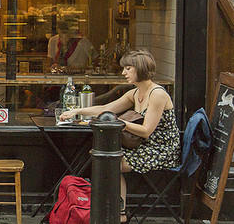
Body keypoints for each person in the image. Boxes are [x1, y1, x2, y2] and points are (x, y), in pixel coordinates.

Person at [59, 49, 180, 222]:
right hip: (142, 145)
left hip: (160, 149)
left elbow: (146, 131)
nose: (123, 72)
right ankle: (116, 210)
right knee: (106, 159)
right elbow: (104, 109)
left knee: (112, 162)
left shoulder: (158, 94)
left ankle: (120, 213)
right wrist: (76, 111)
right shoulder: (135, 92)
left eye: (128, 68)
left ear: (141, 69)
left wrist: (119, 123)